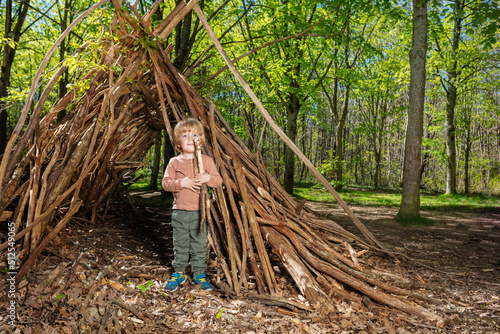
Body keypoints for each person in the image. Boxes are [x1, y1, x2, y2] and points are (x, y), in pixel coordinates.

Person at [162, 118, 223, 292]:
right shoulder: (175, 162)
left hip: (200, 212)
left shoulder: (206, 161)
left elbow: (218, 181)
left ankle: (199, 274)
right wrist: (182, 183)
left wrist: (207, 178)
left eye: (195, 135)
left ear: (201, 140)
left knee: (198, 245)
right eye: (185, 135)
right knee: (180, 244)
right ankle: (179, 272)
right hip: (180, 212)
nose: (190, 138)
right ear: (178, 142)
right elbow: (166, 183)